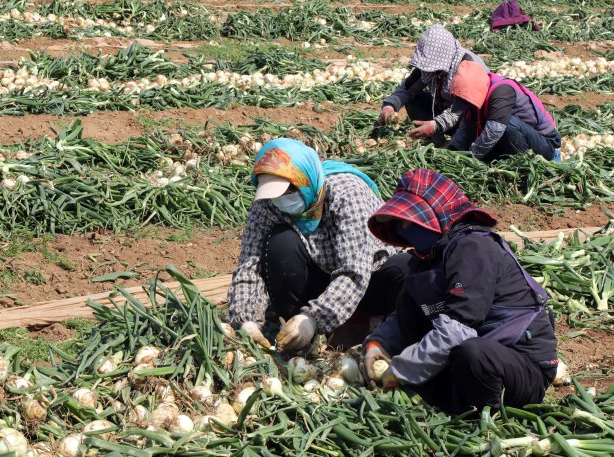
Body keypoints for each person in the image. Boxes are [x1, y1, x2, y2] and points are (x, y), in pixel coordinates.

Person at [362, 168, 558, 414]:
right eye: (399, 223)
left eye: (406, 221)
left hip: (519, 365)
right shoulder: (429, 257)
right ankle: (445, 402)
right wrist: (378, 343)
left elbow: (459, 330)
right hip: (465, 359)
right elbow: (403, 316)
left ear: (435, 215)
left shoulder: (473, 247)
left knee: (473, 354)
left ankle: (487, 414)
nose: (401, 229)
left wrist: (401, 369)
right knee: (412, 298)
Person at [227, 138, 414, 352]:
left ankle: (376, 328)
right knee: (281, 243)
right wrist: (245, 320)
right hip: (320, 277)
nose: (279, 200)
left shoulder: (347, 193)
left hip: (368, 277)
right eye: (273, 194)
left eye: (287, 191)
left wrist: (314, 319)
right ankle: (292, 330)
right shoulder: (268, 201)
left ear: (304, 180)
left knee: (403, 269)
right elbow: (249, 265)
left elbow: (354, 272)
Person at [378, 24, 489, 146]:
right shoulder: (433, 67)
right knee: (414, 100)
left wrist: (433, 126)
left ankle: (458, 144)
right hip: (445, 112)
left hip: (469, 118)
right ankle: (437, 138)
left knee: (466, 127)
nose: (428, 71)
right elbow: (408, 89)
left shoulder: (468, 67)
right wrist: (389, 106)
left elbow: (458, 111)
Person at [446, 60, 561, 163]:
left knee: (506, 124)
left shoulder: (501, 91)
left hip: (544, 144)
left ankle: (526, 164)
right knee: (479, 134)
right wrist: (452, 151)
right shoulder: (479, 95)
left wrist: (471, 159)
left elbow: (495, 130)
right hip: (513, 139)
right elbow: (466, 126)